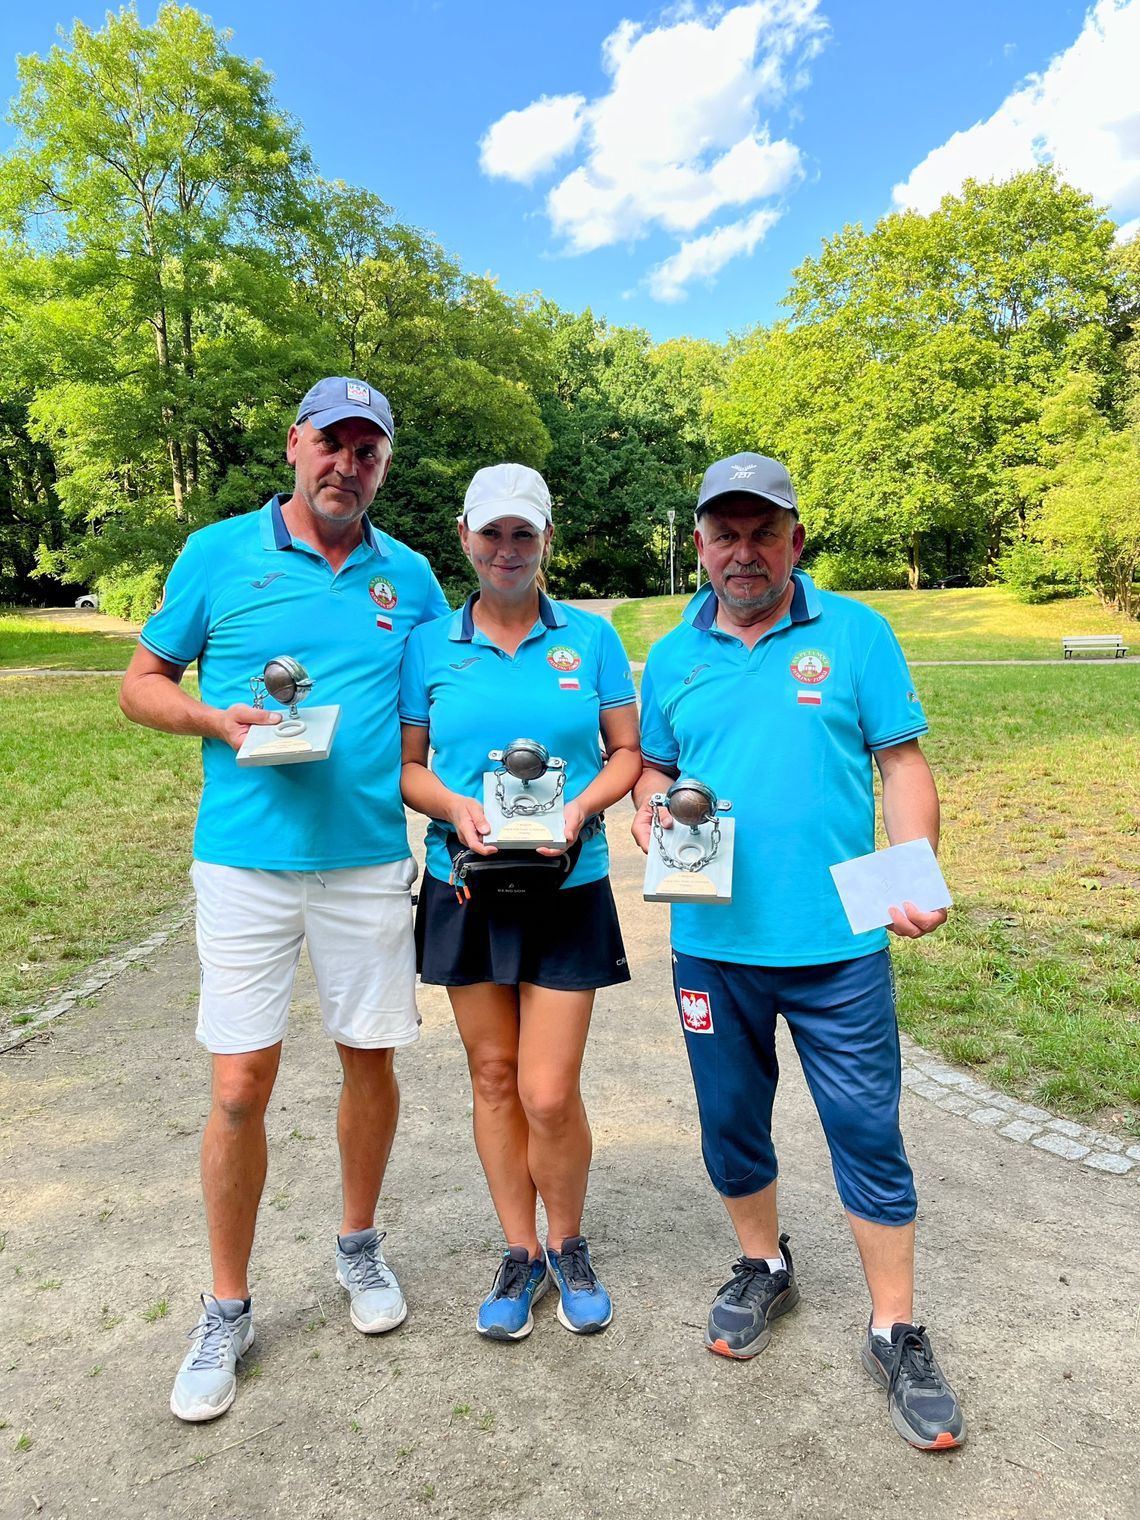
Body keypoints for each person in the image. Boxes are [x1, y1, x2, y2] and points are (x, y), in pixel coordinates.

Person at [119, 377, 448, 1423]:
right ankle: (226, 1303)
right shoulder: (218, 551)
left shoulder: (413, 575)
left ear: (383, 465)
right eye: (332, 443)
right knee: (237, 1083)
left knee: (369, 1057)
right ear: (296, 444)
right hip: (247, 862)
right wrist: (219, 722)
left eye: (369, 450)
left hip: (361, 860)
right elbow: (140, 683)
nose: (348, 464)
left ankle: (358, 1246)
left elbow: (441, 707)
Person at [632, 452, 965, 1451]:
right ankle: (761, 1262)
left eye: (762, 530)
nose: (743, 550)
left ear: (795, 540)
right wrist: (652, 814)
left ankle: (894, 1325)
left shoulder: (859, 634)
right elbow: (654, 767)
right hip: (713, 942)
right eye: (724, 533)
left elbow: (901, 763)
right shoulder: (671, 653)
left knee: (866, 1127)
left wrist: (915, 864)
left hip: (838, 945)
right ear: (699, 544)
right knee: (732, 1120)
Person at [399, 463, 640, 1340]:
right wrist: (455, 807)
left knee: (546, 1090)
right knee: (494, 1077)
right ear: (465, 537)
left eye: (523, 535)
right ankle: (520, 1250)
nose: (507, 550)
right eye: (492, 533)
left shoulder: (591, 638)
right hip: (466, 884)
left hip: (568, 882)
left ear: (545, 542)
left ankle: (568, 1241)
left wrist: (580, 808)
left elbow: (626, 752)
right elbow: (408, 766)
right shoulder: (428, 644)